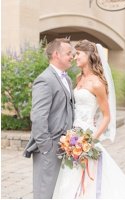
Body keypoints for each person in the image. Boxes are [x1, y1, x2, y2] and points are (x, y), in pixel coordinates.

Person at [53, 39, 125, 198]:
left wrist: (90, 140)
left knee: (89, 178)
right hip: (72, 135)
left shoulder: (97, 83)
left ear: (89, 55)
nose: (75, 57)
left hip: (87, 135)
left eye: (78, 53)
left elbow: (107, 116)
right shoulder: (79, 78)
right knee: (71, 175)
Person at [23, 38, 75, 199]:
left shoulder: (67, 79)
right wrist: (47, 148)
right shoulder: (44, 80)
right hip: (50, 148)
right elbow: (38, 117)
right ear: (56, 55)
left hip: (65, 147)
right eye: (68, 53)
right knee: (45, 194)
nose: (72, 56)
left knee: (59, 193)